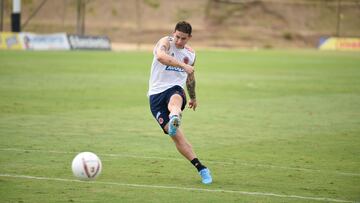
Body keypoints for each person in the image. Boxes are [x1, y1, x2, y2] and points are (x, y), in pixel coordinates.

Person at [148, 21, 212, 184]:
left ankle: (175, 116)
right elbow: (161, 57)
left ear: (189, 38)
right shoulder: (165, 43)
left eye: (183, 38)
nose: (178, 41)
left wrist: (193, 97)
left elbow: (190, 77)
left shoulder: (191, 54)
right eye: (177, 36)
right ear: (173, 33)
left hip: (174, 89)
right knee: (175, 135)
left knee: (174, 101)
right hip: (155, 95)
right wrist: (183, 66)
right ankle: (200, 165)